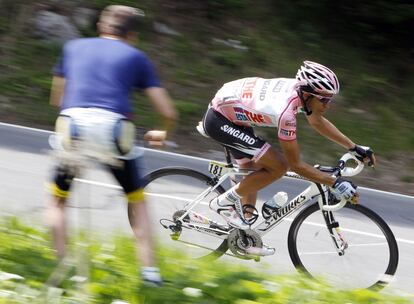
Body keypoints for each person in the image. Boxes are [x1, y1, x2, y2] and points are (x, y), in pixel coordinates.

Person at [47, 5, 177, 286]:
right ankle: (150, 273)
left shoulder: (73, 47)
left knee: (58, 200)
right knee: (136, 199)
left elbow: (56, 98)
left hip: (73, 126)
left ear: (100, 26)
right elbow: (167, 111)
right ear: (132, 34)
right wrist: (162, 131)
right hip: (115, 130)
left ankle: (63, 267)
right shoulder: (136, 57)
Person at [200, 61, 376, 255]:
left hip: (234, 111)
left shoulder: (301, 91)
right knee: (279, 166)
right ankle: (222, 204)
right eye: (325, 100)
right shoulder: (286, 113)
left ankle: (245, 236)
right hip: (220, 119)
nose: (328, 105)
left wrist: (354, 148)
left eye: (330, 100)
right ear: (308, 95)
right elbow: (296, 164)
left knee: (255, 170)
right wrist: (334, 182)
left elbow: (316, 120)